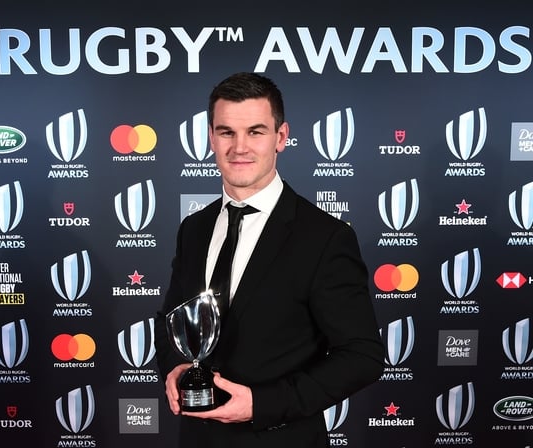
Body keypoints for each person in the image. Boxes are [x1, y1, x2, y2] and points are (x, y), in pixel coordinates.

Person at [154, 72, 384, 447]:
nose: (239, 147)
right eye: (226, 132)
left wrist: (261, 404)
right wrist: (176, 368)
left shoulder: (325, 237)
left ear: (281, 137)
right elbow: (170, 319)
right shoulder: (193, 229)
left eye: (255, 132)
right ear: (211, 137)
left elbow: (362, 356)